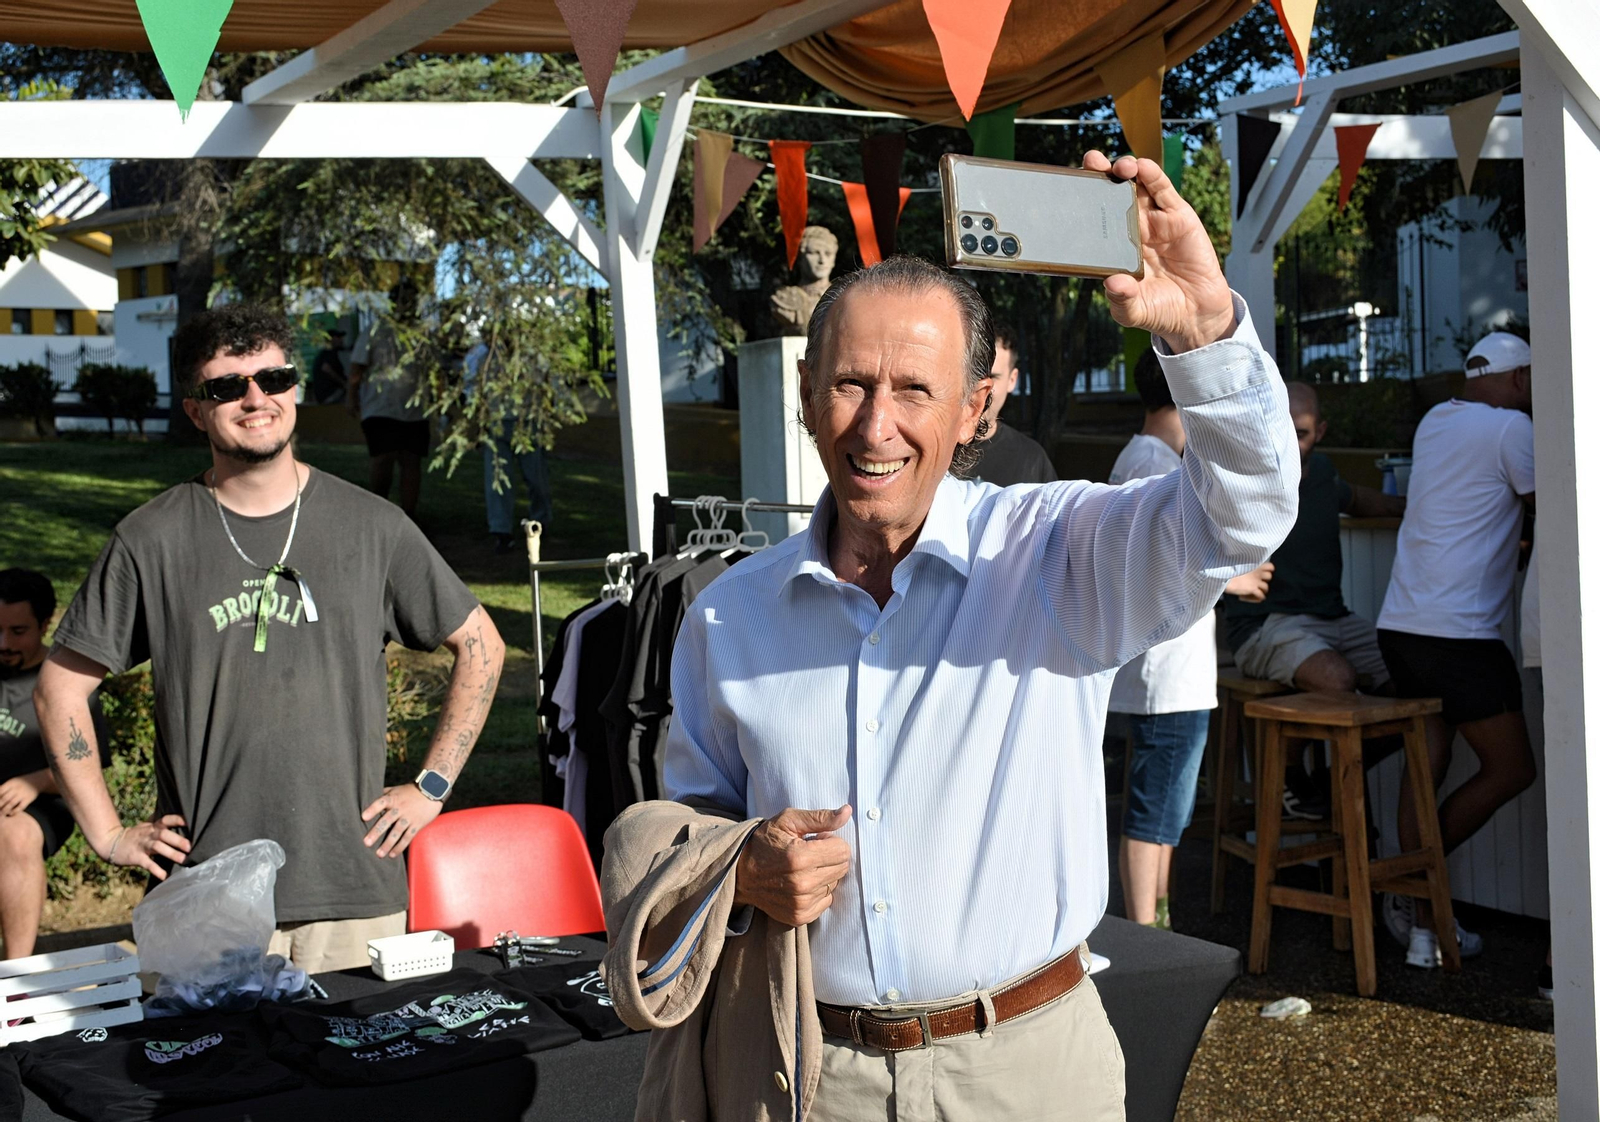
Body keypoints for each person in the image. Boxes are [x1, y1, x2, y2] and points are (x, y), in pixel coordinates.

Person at [653, 152, 1298, 1118]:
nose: (877, 427)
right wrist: (745, 866)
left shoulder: (1053, 553)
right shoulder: (727, 611)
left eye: (915, 390)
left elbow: (1242, 517)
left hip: (1025, 1072)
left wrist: (1205, 332)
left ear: (973, 411)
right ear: (804, 394)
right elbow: (693, 820)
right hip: (810, 1078)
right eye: (849, 386)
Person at [34, 303, 505, 974]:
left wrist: (430, 786)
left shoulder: (374, 527)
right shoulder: (151, 539)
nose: (256, 399)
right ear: (196, 409)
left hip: (353, 891)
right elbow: (59, 691)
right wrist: (107, 835)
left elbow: (482, 646)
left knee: (365, 1076)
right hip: (205, 896)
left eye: (273, 378)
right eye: (227, 387)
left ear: (295, 386)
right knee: (202, 1079)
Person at [1378, 330, 1537, 969]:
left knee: (1430, 761)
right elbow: (1551, 506)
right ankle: (1403, 880)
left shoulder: (1435, 422)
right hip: (1461, 635)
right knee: (1512, 770)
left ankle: (1423, 930)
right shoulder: (1511, 431)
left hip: (1403, 626)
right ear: (1520, 379)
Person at [1108, 349, 1274, 930]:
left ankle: (1156, 927)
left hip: (1164, 668)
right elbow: (1168, 557)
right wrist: (1236, 578)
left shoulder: (1145, 455)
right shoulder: (1154, 463)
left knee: (1163, 811)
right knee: (1156, 811)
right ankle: (1147, 932)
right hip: (1168, 670)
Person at [1224, 381, 1405, 693]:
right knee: (1335, 677)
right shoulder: (1246, 478)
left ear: (1320, 432)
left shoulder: (1323, 472)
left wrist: (1419, 508)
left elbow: (1357, 499)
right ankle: (1286, 743)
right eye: (1282, 429)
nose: (1288, 443)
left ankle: (1362, 745)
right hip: (1264, 626)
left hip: (1336, 620)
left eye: (1300, 433)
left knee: (1413, 671)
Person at [0, 569, 109, 961]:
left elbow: (91, 767)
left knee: (13, 836)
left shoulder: (65, 684)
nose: (4, 643)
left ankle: (14, 979)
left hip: (44, 800)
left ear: (45, 624)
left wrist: (33, 781)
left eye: (18, 631)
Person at [348, 280, 430, 519]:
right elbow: (357, 367)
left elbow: (432, 370)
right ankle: (379, 512)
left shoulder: (422, 333)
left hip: (414, 409)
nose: (407, 305)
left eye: (411, 300)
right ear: (394, 302)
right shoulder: (375, 330)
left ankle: (409, 517)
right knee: (382, 459)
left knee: (411, 461)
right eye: (403, 300)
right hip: (380, 407)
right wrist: (351, 397)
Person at [464, 340, 553, 554]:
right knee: (497, 480)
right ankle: (501, 530)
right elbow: (472, 386)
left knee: (536, 477)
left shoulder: (531, 353)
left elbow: (547, 384)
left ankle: (541, 523)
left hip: (526, 422)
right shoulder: (484, 354)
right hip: (495, 423)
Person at [957, 321, 1058, 487]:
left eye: (993, 377)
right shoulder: (932, 451)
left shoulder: (1032, 460)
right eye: (975, 375)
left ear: (1012, 380)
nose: (982, 387)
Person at [309, 326, 347, 404]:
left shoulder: (325, 353)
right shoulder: (328, 353)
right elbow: (326, 368)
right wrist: (344, 383)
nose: (341, 340)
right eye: (338, 337)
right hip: (328, 394)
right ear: (331, 339)